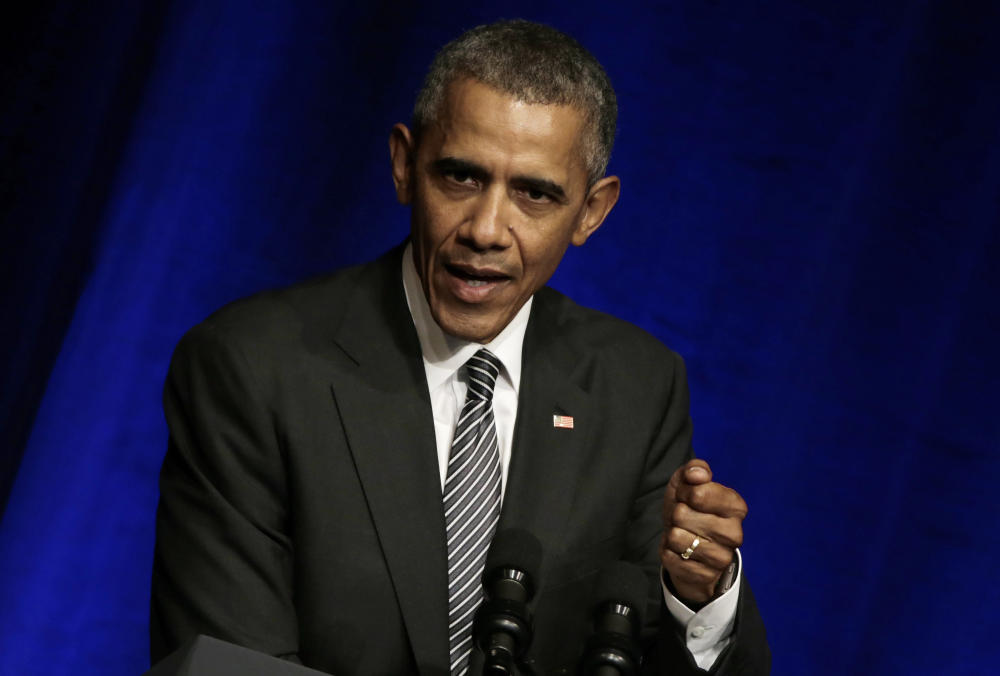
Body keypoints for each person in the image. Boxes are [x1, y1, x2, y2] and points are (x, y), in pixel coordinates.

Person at [151, 19, 770, 675]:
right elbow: (231, 661)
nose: (486, 230)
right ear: (404, 165)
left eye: (534, 193)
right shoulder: (253, 366)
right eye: (461, 178)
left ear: (591, 211)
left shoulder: (635, 387)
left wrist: (698, 600)